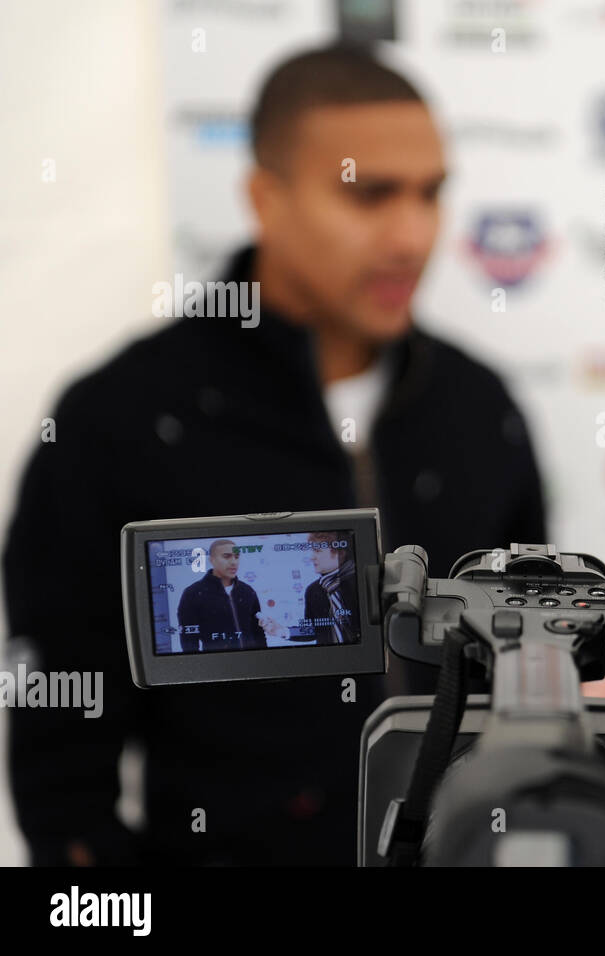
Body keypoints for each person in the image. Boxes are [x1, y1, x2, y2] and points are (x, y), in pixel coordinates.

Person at [4, 44, 547, 865]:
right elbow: (61, 773)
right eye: (369, 194)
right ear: (265, 197)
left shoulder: (482, 412)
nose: (411, 235)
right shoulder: (121, 421)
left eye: (431, 193)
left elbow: (534, 663)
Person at [176, 539, 268, 652]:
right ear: (212, 560)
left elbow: (258, 633)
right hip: (214, 664)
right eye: (227, 556)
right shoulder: (192, 593)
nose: (233, 562)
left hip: (252, 663)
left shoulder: (248, 591)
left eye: (236, 557)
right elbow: (188, 641)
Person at [300, 532, 360, 646]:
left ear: (340, 554)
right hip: (328, 658)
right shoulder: (313, 590)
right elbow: (311, 631)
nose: (311, 557)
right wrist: (283, 631)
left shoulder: (358, 582)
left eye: (317, 551)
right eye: (312, 551)